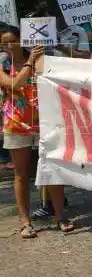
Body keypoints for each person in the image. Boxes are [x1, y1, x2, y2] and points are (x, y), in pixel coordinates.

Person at [1, 29, 72, 238]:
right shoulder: (3, 66)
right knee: (21, 174)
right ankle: (25, 221)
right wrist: (30, 61)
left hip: (45, 123)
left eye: (14, 41)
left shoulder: (41, 61)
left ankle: (60, 216)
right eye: (5, 43)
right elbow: (15, 84)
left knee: (53, 170)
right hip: (16, 125)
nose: (10, 46)